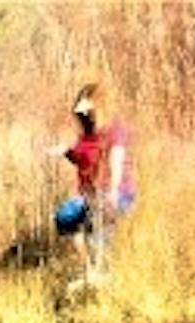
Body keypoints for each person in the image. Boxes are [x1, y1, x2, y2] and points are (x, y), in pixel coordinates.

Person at [50, 82, 136, 284]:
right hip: (90, 194)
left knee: (98, 219)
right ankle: (89, 271)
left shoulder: (114, 129)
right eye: (81, 113)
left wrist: (113, 190)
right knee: (65, 217)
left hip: (118, 192)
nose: (83, 117)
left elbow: (116, 158)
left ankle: (104, 271)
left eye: (87, 112)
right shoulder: (86, 135)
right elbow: (83, 160)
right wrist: (66, 152)